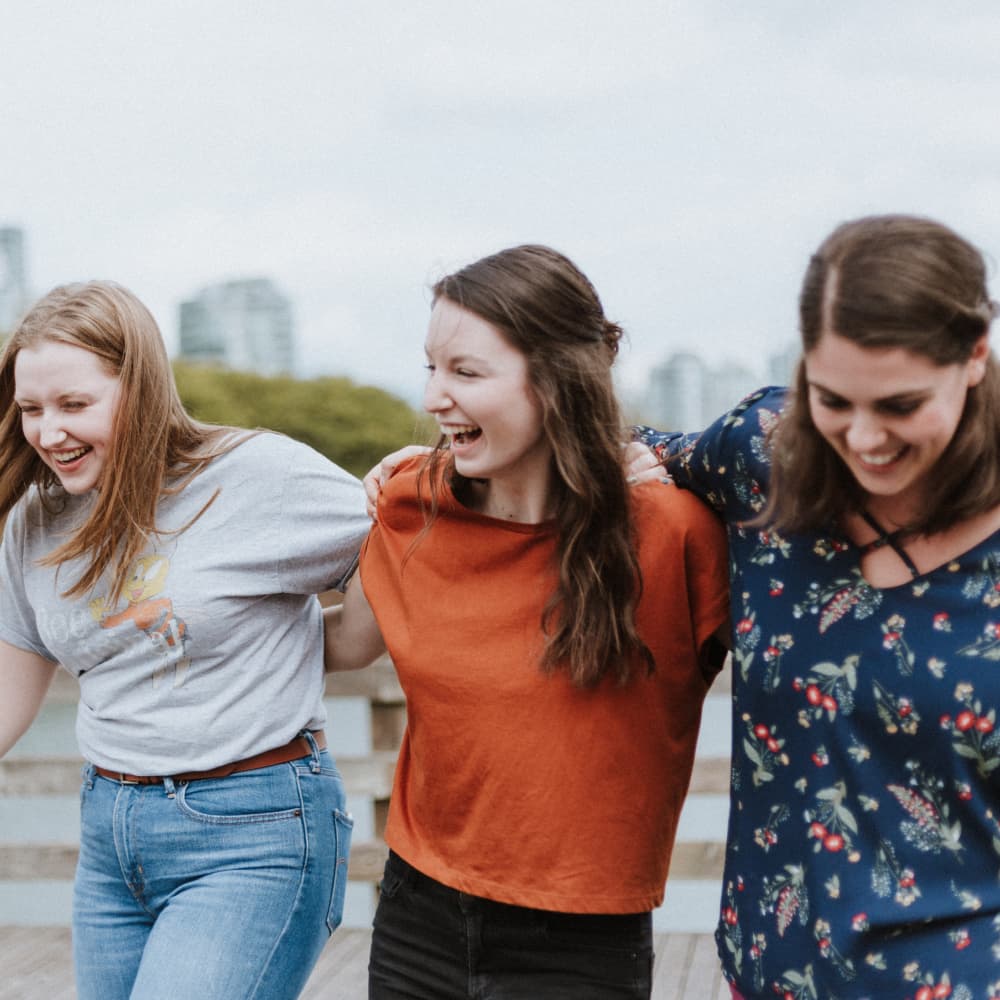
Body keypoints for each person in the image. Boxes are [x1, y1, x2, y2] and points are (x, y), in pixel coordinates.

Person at [325, 244, 730, 999]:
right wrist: (187, 621)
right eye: (431, 368)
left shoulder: (673, 531)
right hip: (418, 913)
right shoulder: (412, 504)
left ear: (555, 383)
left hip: (582, 942)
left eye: (467, 373)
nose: (436, 397)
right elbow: (343, 644)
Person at [628, 214, 1000, 998]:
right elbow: (624, 450)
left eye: (900, 405)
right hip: (768, 975)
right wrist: (432, 471)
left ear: (974, 357)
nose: (863, 438)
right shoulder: (766, 450)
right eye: (833, 399)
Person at [0, 281, 370, 1000]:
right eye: (32, 409)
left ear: (139, 388)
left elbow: (404, 550)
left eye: (75, 404)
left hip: (255, 832)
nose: (49, 432)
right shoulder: (35, 522)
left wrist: (321, 645)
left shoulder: (257, 476)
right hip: (110, 836)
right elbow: (10, 689)